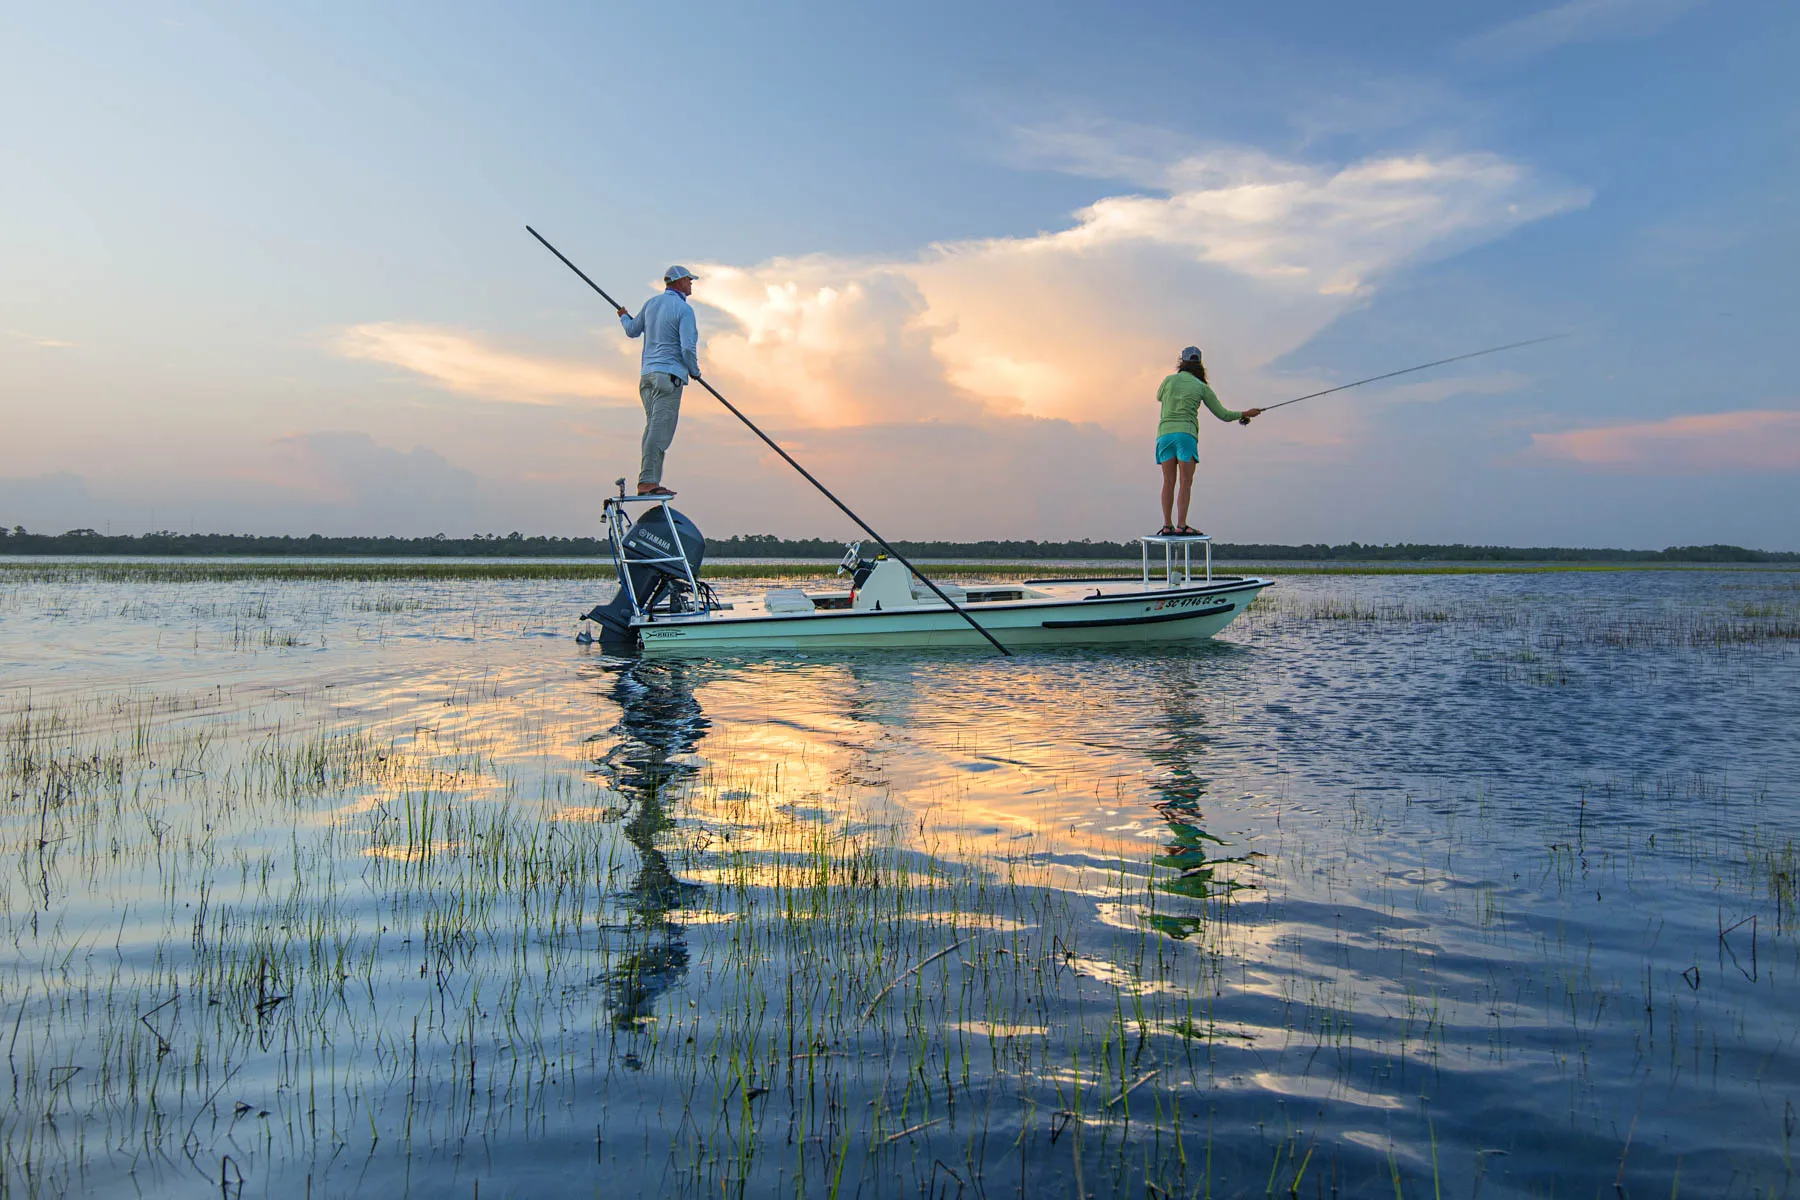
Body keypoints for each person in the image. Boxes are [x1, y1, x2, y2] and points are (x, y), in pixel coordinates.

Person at [1154, 346, 1260, 536]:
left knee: (1168, 481)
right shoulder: (1201, 386)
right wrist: (1246, 413)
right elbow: (1224, 415)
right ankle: (1181, 525)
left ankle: (1167, 525)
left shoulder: (1168, 380)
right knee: (1185, 482)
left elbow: (1159, 397)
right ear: (1199, 364)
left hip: (1164, 436)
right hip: (1186, 436)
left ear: (1182, 362)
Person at [616, 266, 702, 496]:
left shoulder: (651, 304)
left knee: (652, 428)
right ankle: (648, 481)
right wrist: (695, 371)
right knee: (660, 430)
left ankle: (649, 479)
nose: (691, 284)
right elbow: (687, 347)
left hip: (646, 378)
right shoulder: (684, 310)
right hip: (668, 377)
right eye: (688, 280)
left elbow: (632, 330)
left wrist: (624, 316)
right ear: (678, 282)